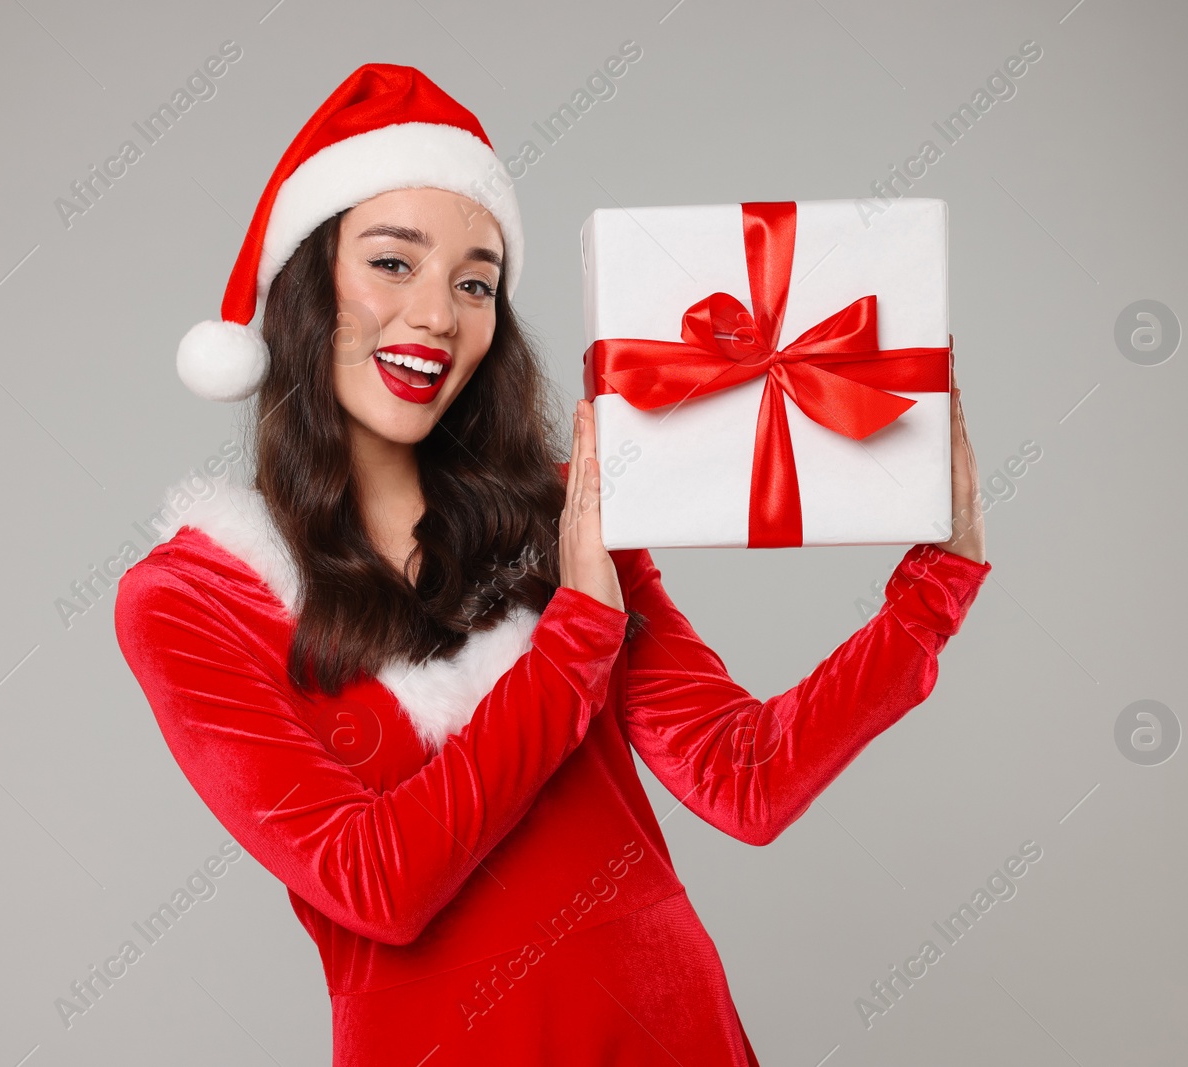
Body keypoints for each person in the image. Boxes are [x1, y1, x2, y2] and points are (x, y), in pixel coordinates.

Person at [114, 62, 991, 1066]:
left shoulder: (568, 516)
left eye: (475, 281)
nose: (440, 313)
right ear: (306, 285)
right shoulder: (191, 598)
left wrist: (933, 589)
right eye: (393, 262)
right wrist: (575, 633)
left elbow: (743, 777)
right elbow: (377, 883)